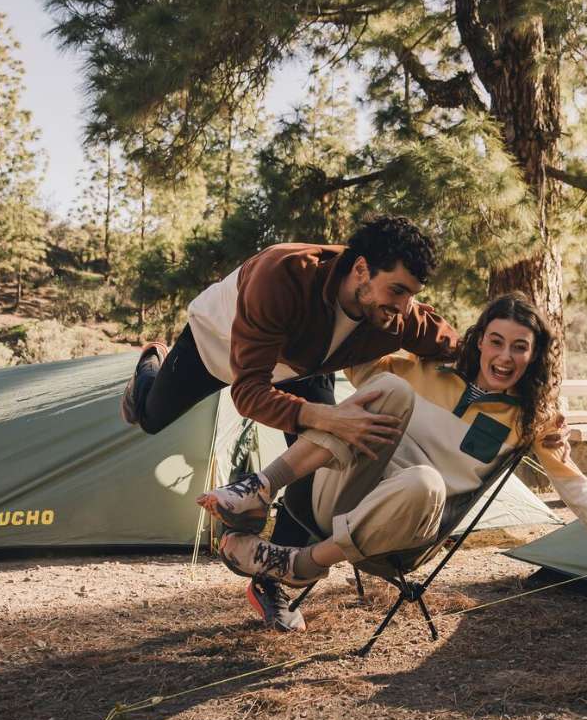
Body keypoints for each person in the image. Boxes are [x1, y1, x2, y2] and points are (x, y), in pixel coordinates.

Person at [196, 293, 587, 609]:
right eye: (496, 341)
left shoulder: (528, 418)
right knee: (391, 389)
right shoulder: (423, 370)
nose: (505, 356)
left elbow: (576, 489)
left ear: (534, 356)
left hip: (402, 533)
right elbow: (340, 350)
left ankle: (303, 564)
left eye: (520, 347)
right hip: (339, 492)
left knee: (425, 480)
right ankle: (260, 486)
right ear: (479, 341)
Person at [119, 213, 460, 630]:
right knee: (150, 416)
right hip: (217, 346)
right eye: (398, 290)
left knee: (311, 471)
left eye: (413, 294)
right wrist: (327, 416)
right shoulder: (280, 273)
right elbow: (248, 392)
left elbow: (464, 348)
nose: (405, 305)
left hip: (302, 368)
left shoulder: (397, 316)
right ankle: (149, 367)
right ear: (360, 270)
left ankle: (269, 579)